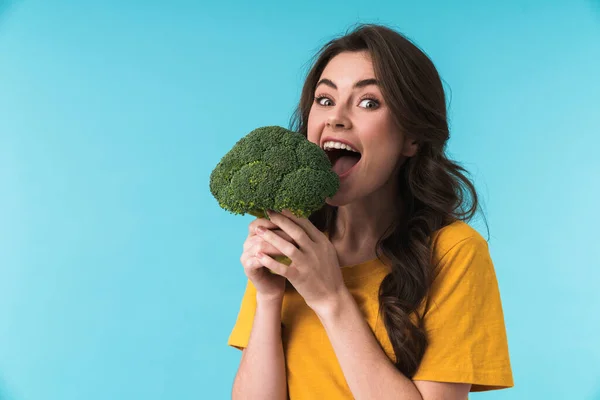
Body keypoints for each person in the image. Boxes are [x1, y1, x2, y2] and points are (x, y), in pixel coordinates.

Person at [227, 23, 514, 400]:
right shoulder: (293, 242)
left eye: (368, 102)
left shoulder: (453, 253)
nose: (336, 118)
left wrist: (331, 299)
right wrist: (268, 298)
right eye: (325, 100)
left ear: (412, 137)